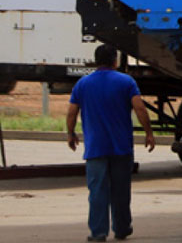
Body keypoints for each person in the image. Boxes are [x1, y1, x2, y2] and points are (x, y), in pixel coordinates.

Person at [67, 44, 156, 242]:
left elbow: (72, 111)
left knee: (97, 191)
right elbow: (140, 108)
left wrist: (71, 133)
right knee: (121, 190)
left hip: (95, 148)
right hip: (121, 147)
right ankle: (122, 228)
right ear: (115, 61)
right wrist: (149, 133)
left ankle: (98, 232)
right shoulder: (126, 81)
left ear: (96, 61)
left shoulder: (82, 84)